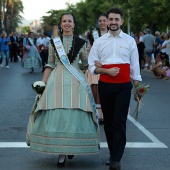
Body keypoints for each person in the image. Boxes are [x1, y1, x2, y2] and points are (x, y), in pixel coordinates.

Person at [27, 13, 99, 166]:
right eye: (64, 21)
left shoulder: (81, 43)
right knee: (58, 114)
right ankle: (61, 152)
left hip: (76, 81)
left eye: (70, 21)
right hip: (56, 81)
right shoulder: (54, 43)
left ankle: (72, 146)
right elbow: (50, 64)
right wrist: (42, 84)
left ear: (73, 24)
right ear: (60, 25)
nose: (67, 24)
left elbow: (86, 64)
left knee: (75, 113)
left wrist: (98, 67)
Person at [88, 7, 142, 170]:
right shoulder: (99, 42)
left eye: (116, 19)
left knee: (119, 122)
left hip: (124, 87)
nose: (113, 22)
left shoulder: (129, 41)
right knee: (110, 123)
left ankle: (116, 159)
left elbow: (135, 68)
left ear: (121, 21)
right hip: (105, 86)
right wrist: (105, 70)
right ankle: (113, 154)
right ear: (107, 21)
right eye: (110, 19)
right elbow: (92, 66)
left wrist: (138, 91)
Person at [85, 14, 108, 123]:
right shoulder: (92, 36)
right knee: (95, 91)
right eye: (100, 21)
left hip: (109, 67)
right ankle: (98, 114)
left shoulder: (113, 34)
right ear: (97, 23)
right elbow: (89, 50)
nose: (102, 23)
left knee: (108, 92)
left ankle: (107, 113)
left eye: (104, 20)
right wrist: (94, 62)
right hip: (96, 66)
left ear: (107, 22)